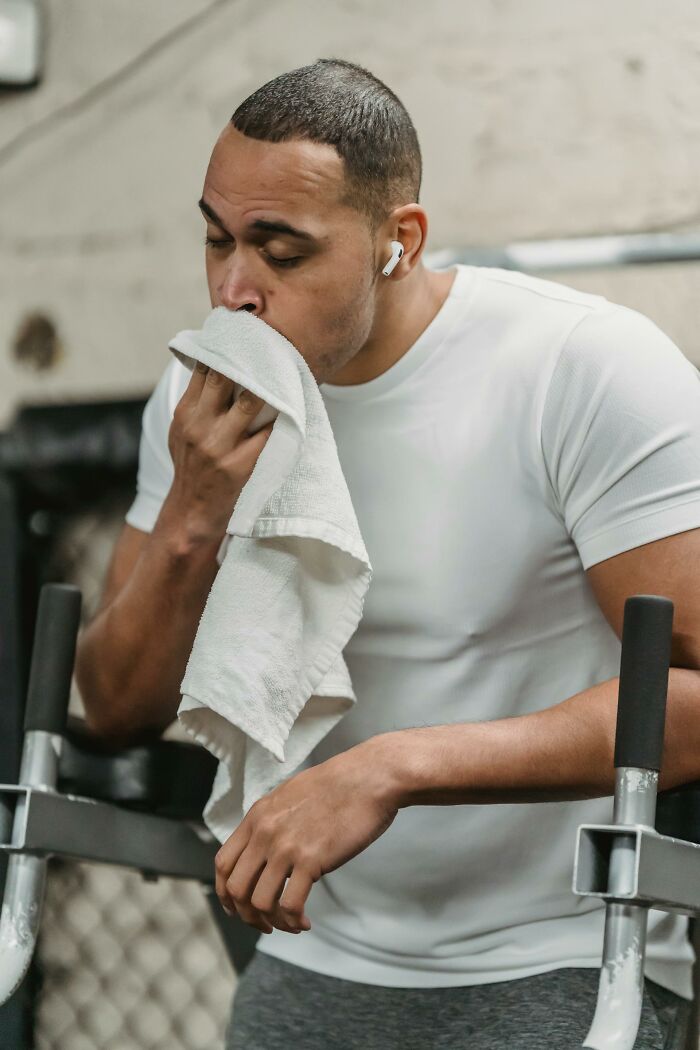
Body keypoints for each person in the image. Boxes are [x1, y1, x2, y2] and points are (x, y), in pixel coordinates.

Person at [75, 58, 700, 1049]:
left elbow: (697, 694)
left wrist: (394, 766)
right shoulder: (199, 400)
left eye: (280, 252)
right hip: (316, 949)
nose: (234, 291)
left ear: (396, 242)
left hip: (563, 953)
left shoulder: (578, 368)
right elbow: (113, 707)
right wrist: (195, 509)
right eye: (215, 239)